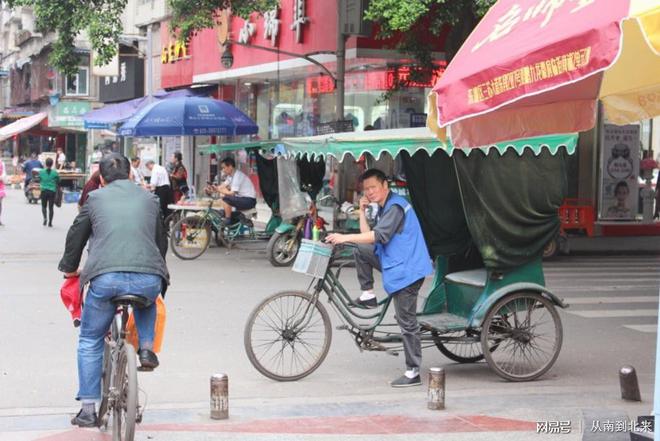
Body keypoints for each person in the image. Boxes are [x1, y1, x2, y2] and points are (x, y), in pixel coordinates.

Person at [58, 153, 169, 428]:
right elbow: (160, 241)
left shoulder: (95, 199)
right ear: (131, 175)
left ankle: (87, 410)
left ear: (103, 180)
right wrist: (157, 270)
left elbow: (76, 235)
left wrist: (70, 269)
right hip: (148, 276)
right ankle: (145, 349)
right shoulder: (149, 198)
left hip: (106, 278)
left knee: (90, 339)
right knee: (147, 299)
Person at [325, 169, 433, 388]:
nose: (370, 192)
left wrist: (344, 237)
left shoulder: (395, 207)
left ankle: (413, 371)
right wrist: (363, 212)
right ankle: (368, 294)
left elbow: (379, 236)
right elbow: (369, 239)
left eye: (373, 187)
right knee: (361, 250)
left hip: (407, 269)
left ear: (385, 186)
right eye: (366, 189)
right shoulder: (385, 207)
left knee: (406, 321)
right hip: (394, 262)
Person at [207, 157, 256, 225]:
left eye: (224, 168)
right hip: (243, 199)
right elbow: (222, 186)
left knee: (226, 198)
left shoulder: (237, 176)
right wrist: (212, 189)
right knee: (223, 209)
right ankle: (232, 219)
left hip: (249, 201)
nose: (223, 170)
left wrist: (219, 190)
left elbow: (232, 193)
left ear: (230, 166)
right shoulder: (230, 176)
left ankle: (228, 220)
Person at [39, 158, 60, 227]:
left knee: (43, 206)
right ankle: (50, 222)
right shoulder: (55, 172)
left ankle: (45, 218)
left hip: (44, 190)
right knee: (51, 207)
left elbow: (39, 179)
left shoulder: (41, 172)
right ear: (52, 164)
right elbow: (58, 181)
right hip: (52, 191)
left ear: (45, 164)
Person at [0, 159, 6, 226]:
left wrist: (2, 177)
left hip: (0, 184)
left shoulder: (2, 163)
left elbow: (4, 173)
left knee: (0, 203)